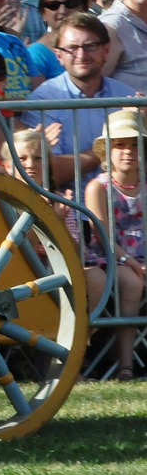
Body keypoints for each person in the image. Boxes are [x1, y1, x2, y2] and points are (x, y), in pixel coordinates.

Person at [22, 14, 137, 189]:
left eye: (90, 46)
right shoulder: (43, 100)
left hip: (123, 209)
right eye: (72, 48)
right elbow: (50, 172)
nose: (81, 55)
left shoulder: (126, 96)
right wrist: (109, 146)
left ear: (106, 50)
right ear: (58, 55)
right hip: (69, 210)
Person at [82, 108, 146, 380]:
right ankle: (125, 364)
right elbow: (102, 236)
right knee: (132, 282)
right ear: (107, 151)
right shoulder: (98, 187)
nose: (128, 151)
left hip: (141, 259)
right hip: (109, 257)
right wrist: (132, 263)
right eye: (120, 145)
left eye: (135, 144)